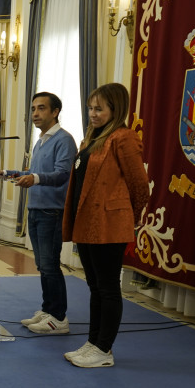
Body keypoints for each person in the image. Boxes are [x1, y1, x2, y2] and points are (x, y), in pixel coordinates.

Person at [62, 82, 149, 368]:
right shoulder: (92, 139)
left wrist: (126, 217)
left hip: (109, 224)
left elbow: (140, 186)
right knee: (95, 287)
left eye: (99, 108)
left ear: (116, 108)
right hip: (87, 223)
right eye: (90, 108)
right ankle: (93, 342)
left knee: (108, 287)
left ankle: (104, 349)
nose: (93, 113)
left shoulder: (123, 138)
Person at [0, 92, 77, 335]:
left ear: (55, 111)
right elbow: (34, 171)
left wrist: (34, 177)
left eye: (41, 108)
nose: (35, 114)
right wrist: (7, 173)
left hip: (52, 211)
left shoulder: (64, 140)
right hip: (36, 209)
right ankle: (48, 310)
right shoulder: (41, 141)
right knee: (42, 265)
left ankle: (59, 318)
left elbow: (62, 174)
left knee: (50, 265)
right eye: (33, 108)